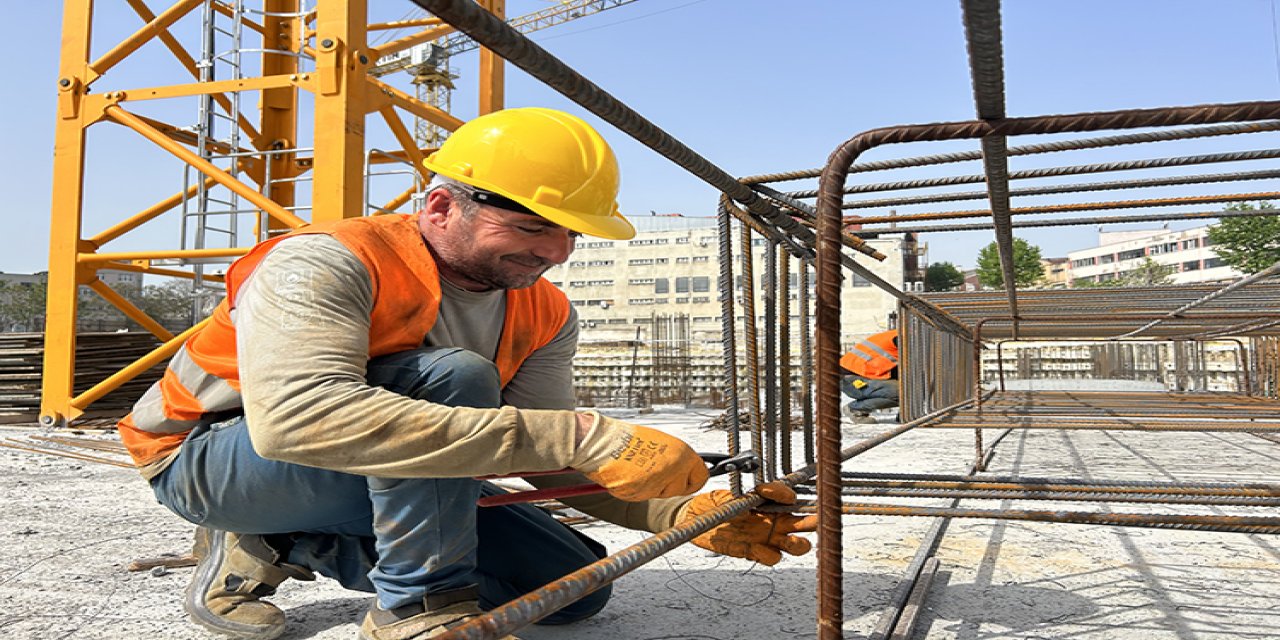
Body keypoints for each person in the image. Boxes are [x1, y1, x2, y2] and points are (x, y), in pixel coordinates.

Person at [116, 107, 817, 640]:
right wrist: (585, 436)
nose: (557, 252)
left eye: (571, 234)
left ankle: (288, 541)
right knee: (451, 377)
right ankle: (415, 607)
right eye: (534, 227)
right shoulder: (328, 262)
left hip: (378, 475)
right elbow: (300, 419)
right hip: (212, 461)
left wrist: (677, 513)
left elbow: (549, 468)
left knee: (574, 590)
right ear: (443, 206)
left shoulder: (543, 311)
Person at [839, 328, 900, 424]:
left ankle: (905, 414)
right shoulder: (901, 339)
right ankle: (855, 409)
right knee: (902, 392)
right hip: (851, 380)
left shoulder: (901, 335)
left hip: (859, 375)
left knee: (908, 389)